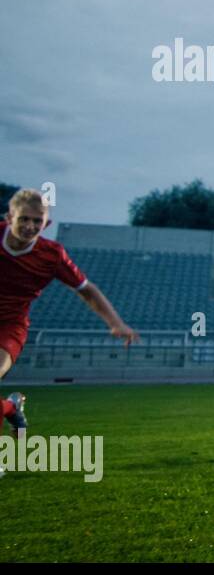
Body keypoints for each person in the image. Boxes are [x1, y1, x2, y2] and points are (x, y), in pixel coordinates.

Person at [0, 188, 140, 446]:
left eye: (37, 221)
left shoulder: (51, 255)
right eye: (24, 219)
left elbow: (86, 290)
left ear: (47, 223)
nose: (30, 226)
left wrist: (115, 323)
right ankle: (10, 407)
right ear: (9, 218)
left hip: (9, 327)